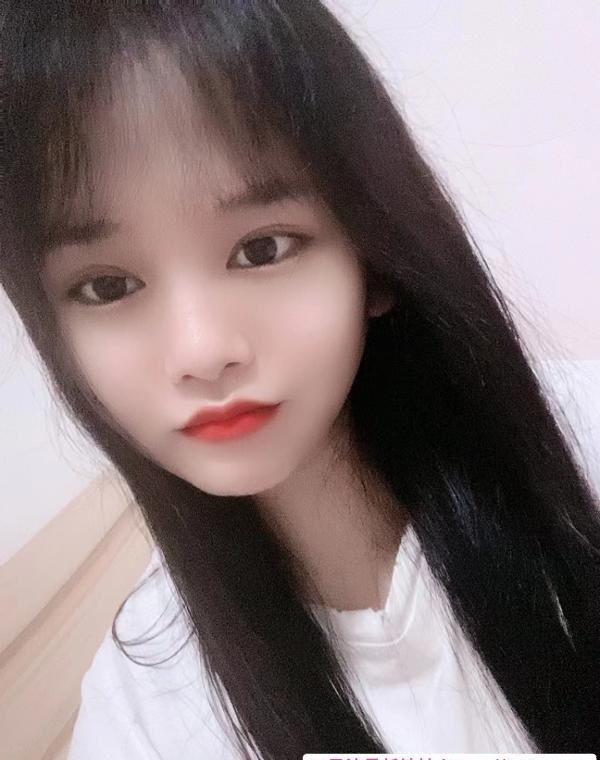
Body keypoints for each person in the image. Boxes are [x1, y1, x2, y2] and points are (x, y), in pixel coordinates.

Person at [1, 2, 598, 757]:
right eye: (107, 287)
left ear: (373, 253)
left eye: (263, 249)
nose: (202, 351)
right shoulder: (148, 710)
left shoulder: (583, 446)